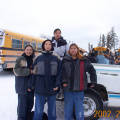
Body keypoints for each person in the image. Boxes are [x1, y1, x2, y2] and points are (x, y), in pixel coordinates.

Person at [28, 40, 62, 120]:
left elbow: (60, 72)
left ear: (51, 46)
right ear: (43, 46)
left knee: (52, 110)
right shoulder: (38, 57)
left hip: (52, 87)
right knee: (38, 110)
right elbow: (34, 72)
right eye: (46, 44)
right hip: (40, 87)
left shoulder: (56, 57)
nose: (48, 46)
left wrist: (57, 83)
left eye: (49, 44)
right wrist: (30, 84)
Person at [62, 43, 97, 120]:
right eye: (71, 48)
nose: (73, 50)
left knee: (79, 110)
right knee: (68, 110)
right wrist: (63, 81)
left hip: (79, 88)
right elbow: (62, 72)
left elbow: (92, 71)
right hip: (68, 88)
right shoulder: (65, 60)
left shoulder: (83, 60)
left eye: (75, 48)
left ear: (77, 50)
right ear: (69, 50)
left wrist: (93, 81)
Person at [13, 45, 34, 120]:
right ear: (24, 50)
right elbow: (17, 71)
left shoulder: (34, 59)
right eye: (27, 49)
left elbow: (36, 71)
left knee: (30, 104)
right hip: (22, 86)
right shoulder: (20, 59)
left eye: (30, 50)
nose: (29, 51)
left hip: (31, 86)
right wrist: (29, 71)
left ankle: (27, 117)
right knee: (22, 106)